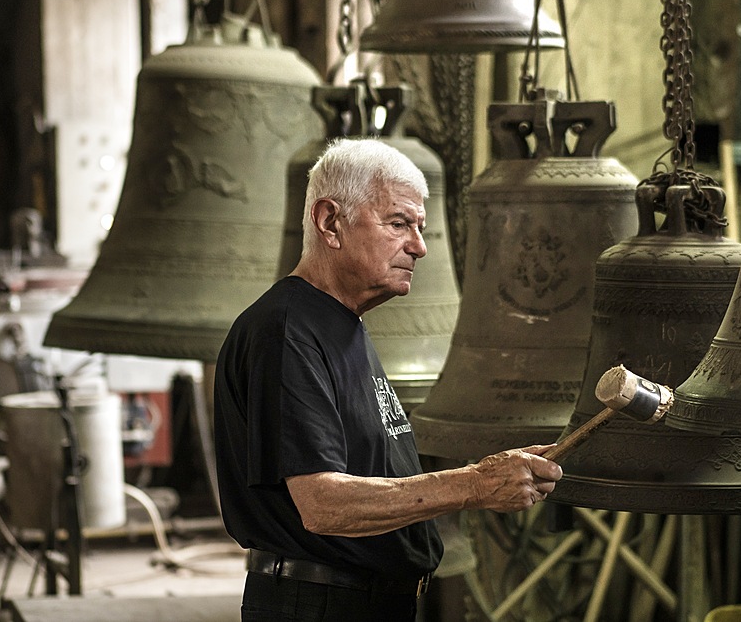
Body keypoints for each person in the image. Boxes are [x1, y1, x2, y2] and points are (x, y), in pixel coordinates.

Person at [214, 137, 563, 621]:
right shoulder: (287, 330)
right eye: (399, 223)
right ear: (329, 222)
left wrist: (495, 474)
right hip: (320, 606)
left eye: (419, 227)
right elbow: (323, 504)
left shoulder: (342, 325)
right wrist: (476, 484)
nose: (419, 246)